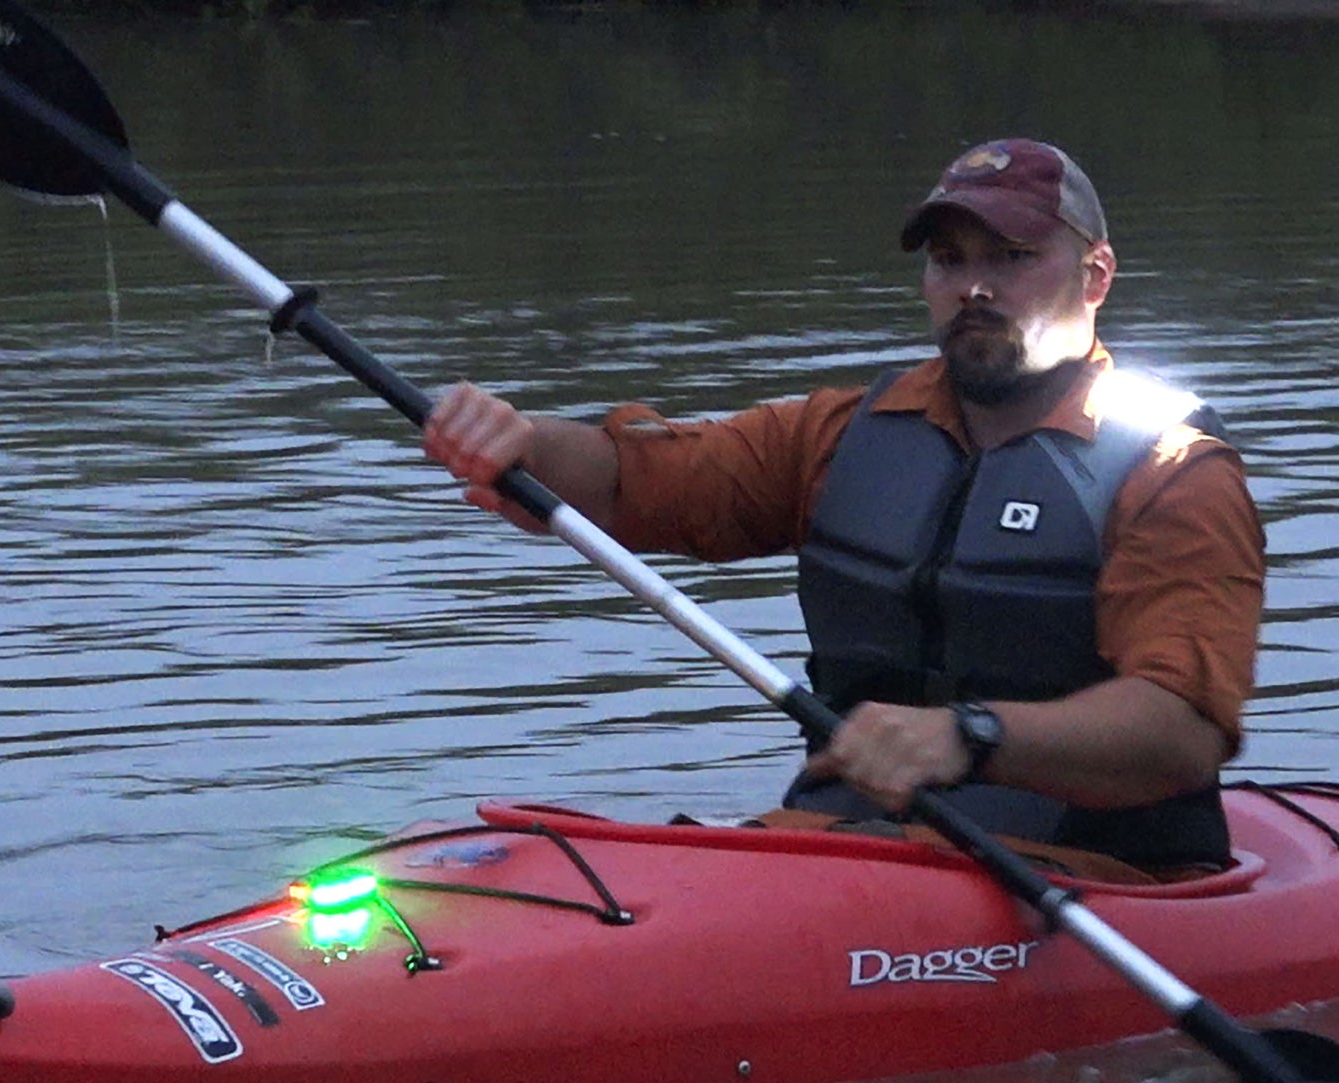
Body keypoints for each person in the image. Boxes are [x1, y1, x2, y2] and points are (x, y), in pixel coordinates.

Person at [421, 138, 1264, 877]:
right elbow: (627, 481)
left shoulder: (1174, 470)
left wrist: (970, 736)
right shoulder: (845, 432)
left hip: (1092, 876)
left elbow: (1179, 730)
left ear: (1097, 275)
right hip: (848, 849)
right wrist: (522, 442)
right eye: (949, 260)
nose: (973, 288)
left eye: (1009, 258)